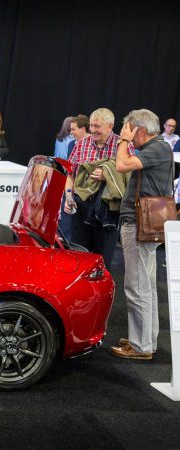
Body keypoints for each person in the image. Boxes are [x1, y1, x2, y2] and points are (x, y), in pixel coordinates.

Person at [110, 109, 173, 360]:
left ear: (140, 130)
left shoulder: (156, 148)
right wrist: (127, 140)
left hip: (138, 224)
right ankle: (145, 339)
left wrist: (123, 140)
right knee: (144, 285)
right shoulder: (157, 148)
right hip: (141, 223)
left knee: (137, 286)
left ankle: (141, 346)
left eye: (130, 130)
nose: (127, 135)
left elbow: (121, 165)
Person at [63, 108, 133, 269]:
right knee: (79, 257)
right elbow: (70, 174)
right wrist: (68, 196)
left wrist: (108, 174)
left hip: (108, 210)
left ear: (110, 126)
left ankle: (100, 293)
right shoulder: (81, 145)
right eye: (91, 126)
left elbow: (129, 176)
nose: (93, 130)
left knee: (103, 260)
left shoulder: (122, 146)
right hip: (81, 207)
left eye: (97, 126)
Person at [58, 114, 90, 241]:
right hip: (71, 188)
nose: (71, 132)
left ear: (83, 129)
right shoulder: (72, 144)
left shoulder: (92, 146)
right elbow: (70, 168)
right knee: (67, 225)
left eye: (73, 129)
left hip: (85, 194)